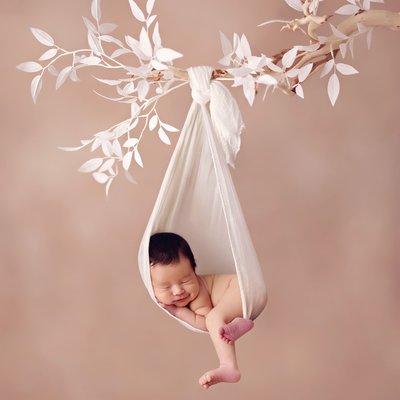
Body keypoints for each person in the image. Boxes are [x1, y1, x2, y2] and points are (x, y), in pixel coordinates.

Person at [149, 232, 261, 389]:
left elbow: (206, 324)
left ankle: (229, 366)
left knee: (213, 318)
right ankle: (237, 324)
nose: (178, 291)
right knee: (218, 319)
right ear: (151, 286)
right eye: (166, 287)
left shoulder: (198, 295)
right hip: (246, 295)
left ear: (194, 271)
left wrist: (178, 312)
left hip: (243, 288)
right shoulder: (186, 292)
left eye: (185, 280)